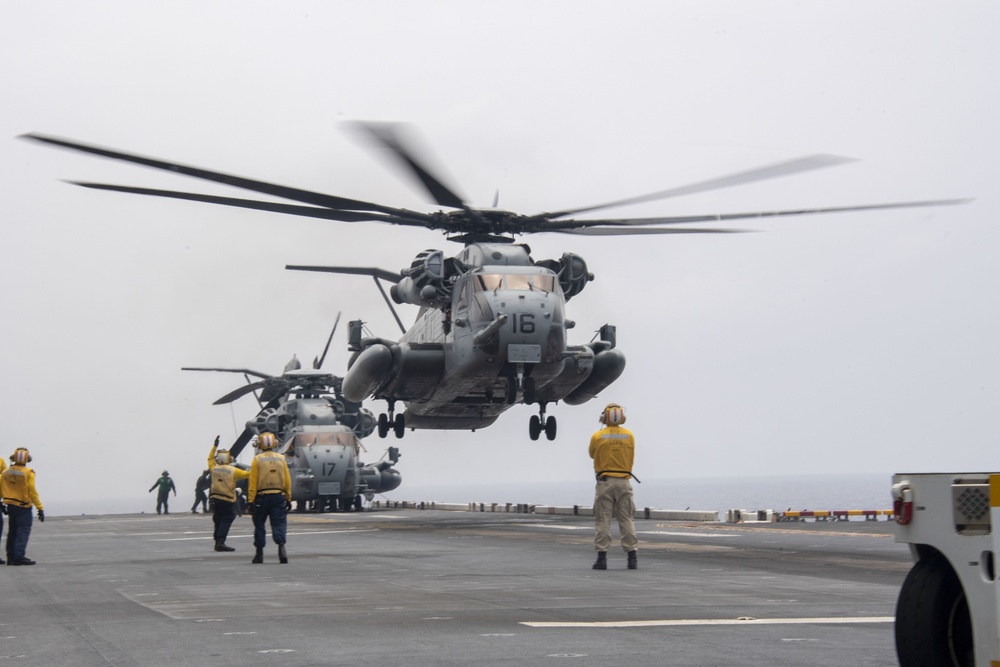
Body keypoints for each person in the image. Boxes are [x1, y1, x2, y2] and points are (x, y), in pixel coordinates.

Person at [588, 402, 638, 570]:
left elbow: (591, 454)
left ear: (604, 417)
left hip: (605, 482)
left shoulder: (598, 436)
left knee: (603, 520)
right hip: (624, 482)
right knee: (626, 519)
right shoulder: (629, 435)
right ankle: (632, 557)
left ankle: (602, 558)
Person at [248, 432, 292, 564]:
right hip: (278, 496)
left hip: (261, 497)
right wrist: (288, 497)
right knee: (279, 523)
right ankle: (282, 549)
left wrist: (250, 501)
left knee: (259, 524)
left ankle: (259, 553)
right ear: (274, 443)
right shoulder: (281, 458)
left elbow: (253, 482)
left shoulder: (257, 459)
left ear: (261, 444)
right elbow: (287, 480)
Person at [1, 447, 44, 566]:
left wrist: (0, 503)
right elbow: (32, 491)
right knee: (23, 530)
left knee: (12, 531)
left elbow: (1, 488)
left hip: (10, 505)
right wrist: (40, 507)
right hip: (23, 506)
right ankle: (19, 556)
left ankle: (10, 557)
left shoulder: (6, 472)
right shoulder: (28, 472)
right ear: (27, 459)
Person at [207, 435, 250, 552]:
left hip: (215, 498)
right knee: (228, 518)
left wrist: (214, 446)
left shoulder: (214, 469)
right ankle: (220, 542)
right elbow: (247, 474)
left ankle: (217, 540)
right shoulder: (233, 471)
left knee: (218, 518)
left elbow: (209, 459)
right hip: (228, 499)